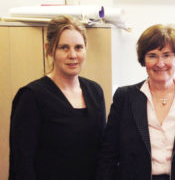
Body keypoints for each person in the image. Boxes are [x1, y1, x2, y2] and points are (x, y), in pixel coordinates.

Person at [96, 24, 175, 180]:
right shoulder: (124, 97)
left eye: (167, 55)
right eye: (152, 55)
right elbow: (108, 154)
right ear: (143, 59)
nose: (160, 63)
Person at [9, 15, 106, 180]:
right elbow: (22, 164)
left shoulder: (95, 91)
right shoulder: (32, 96)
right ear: (49, 49)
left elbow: (102, 152)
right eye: (64, 47)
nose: (73, 55)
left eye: (78, 47)